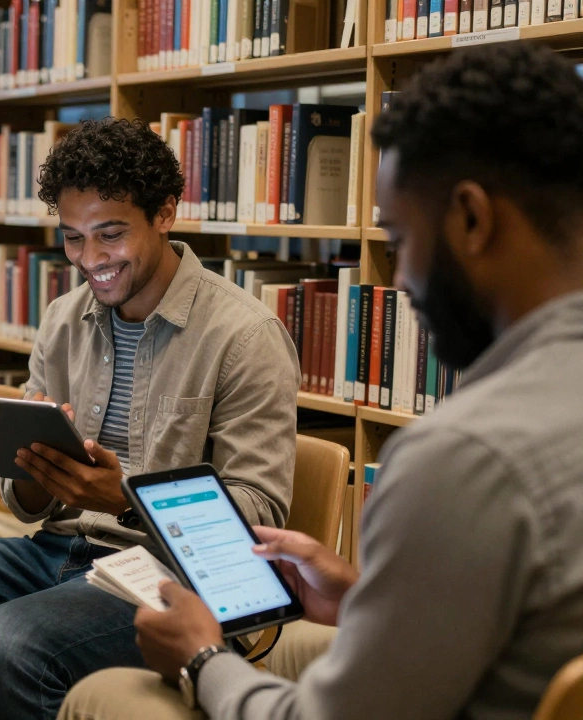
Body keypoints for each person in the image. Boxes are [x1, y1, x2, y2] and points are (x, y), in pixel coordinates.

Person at [59, 42, 583, 720]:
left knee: (97, 697)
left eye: (399, 238)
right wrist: (367, 595)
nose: (399, 281)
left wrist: (203, 657)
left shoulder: (461, 458)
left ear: (472, 219)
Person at [0, 117, 300, 719]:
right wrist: (31, 466)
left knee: (8, 643)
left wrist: (125, 497)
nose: (91, 260)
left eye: (110, 235)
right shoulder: (62, 318)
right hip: (62, 548)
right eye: (74, 238)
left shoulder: (244, 334)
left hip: (173, 578)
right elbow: (24, 505)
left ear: (165, 213)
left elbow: (257, 517)